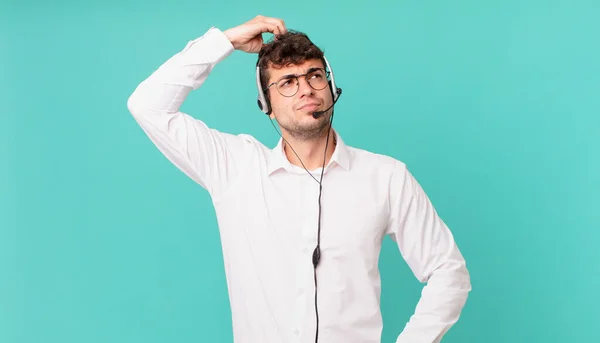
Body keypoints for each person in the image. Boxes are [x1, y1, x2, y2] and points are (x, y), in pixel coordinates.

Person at [126, 15, 471, 343]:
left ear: (331, 87)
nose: (306, 89)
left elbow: (448, 271)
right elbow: (147, 105)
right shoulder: (235, 168)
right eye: (288, 82)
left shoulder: (386, 177)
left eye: (314, 76)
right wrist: (226, 41)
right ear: (267, 105)